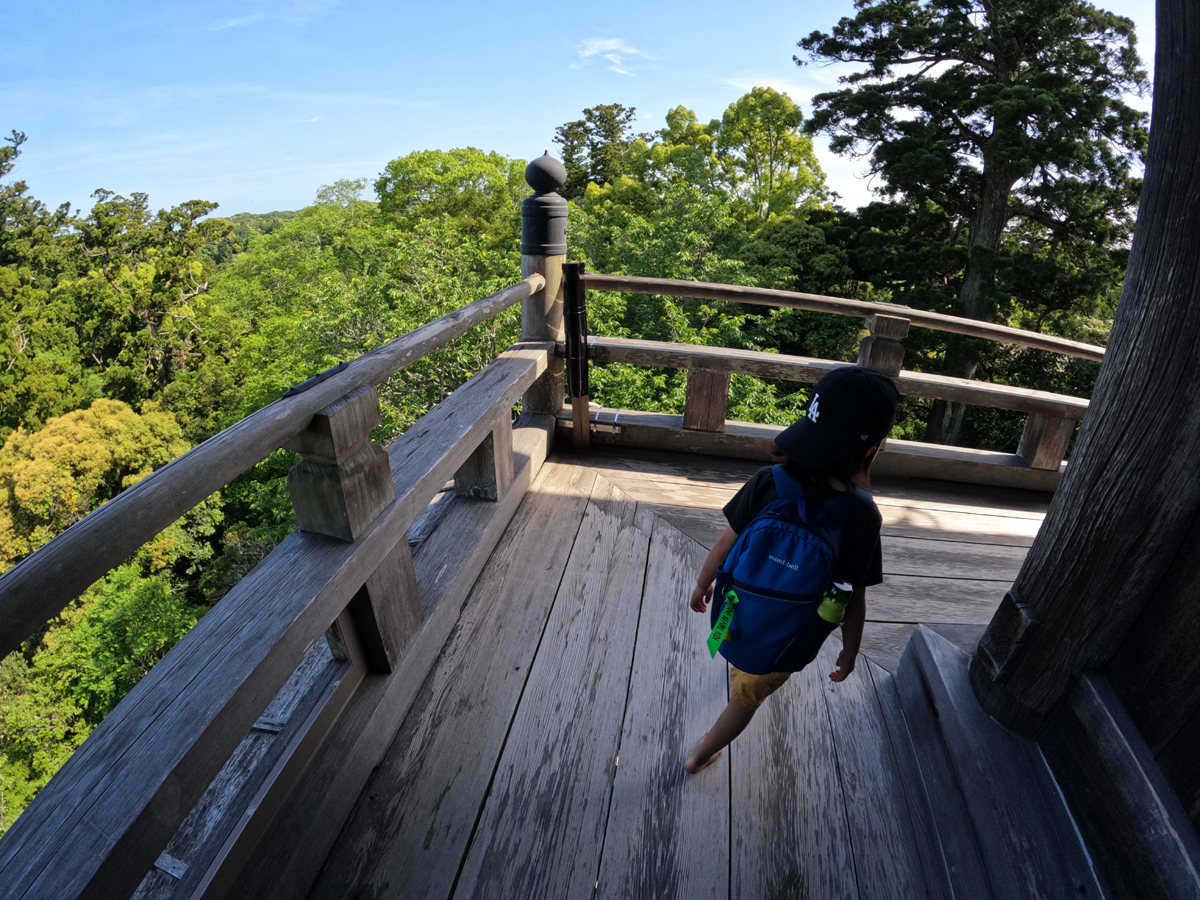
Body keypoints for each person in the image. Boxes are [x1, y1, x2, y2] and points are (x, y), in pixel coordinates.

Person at [684, 365, 899, 774]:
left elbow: (726, 541)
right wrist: (850, 650)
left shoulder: (769, 480)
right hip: (791, 635)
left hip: (739, 609)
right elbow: (852, 594)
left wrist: (702, 582)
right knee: (746, 698)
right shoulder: (861, 514)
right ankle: (700, 753)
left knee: (739, 663)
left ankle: (736, 666)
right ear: (870, 449)